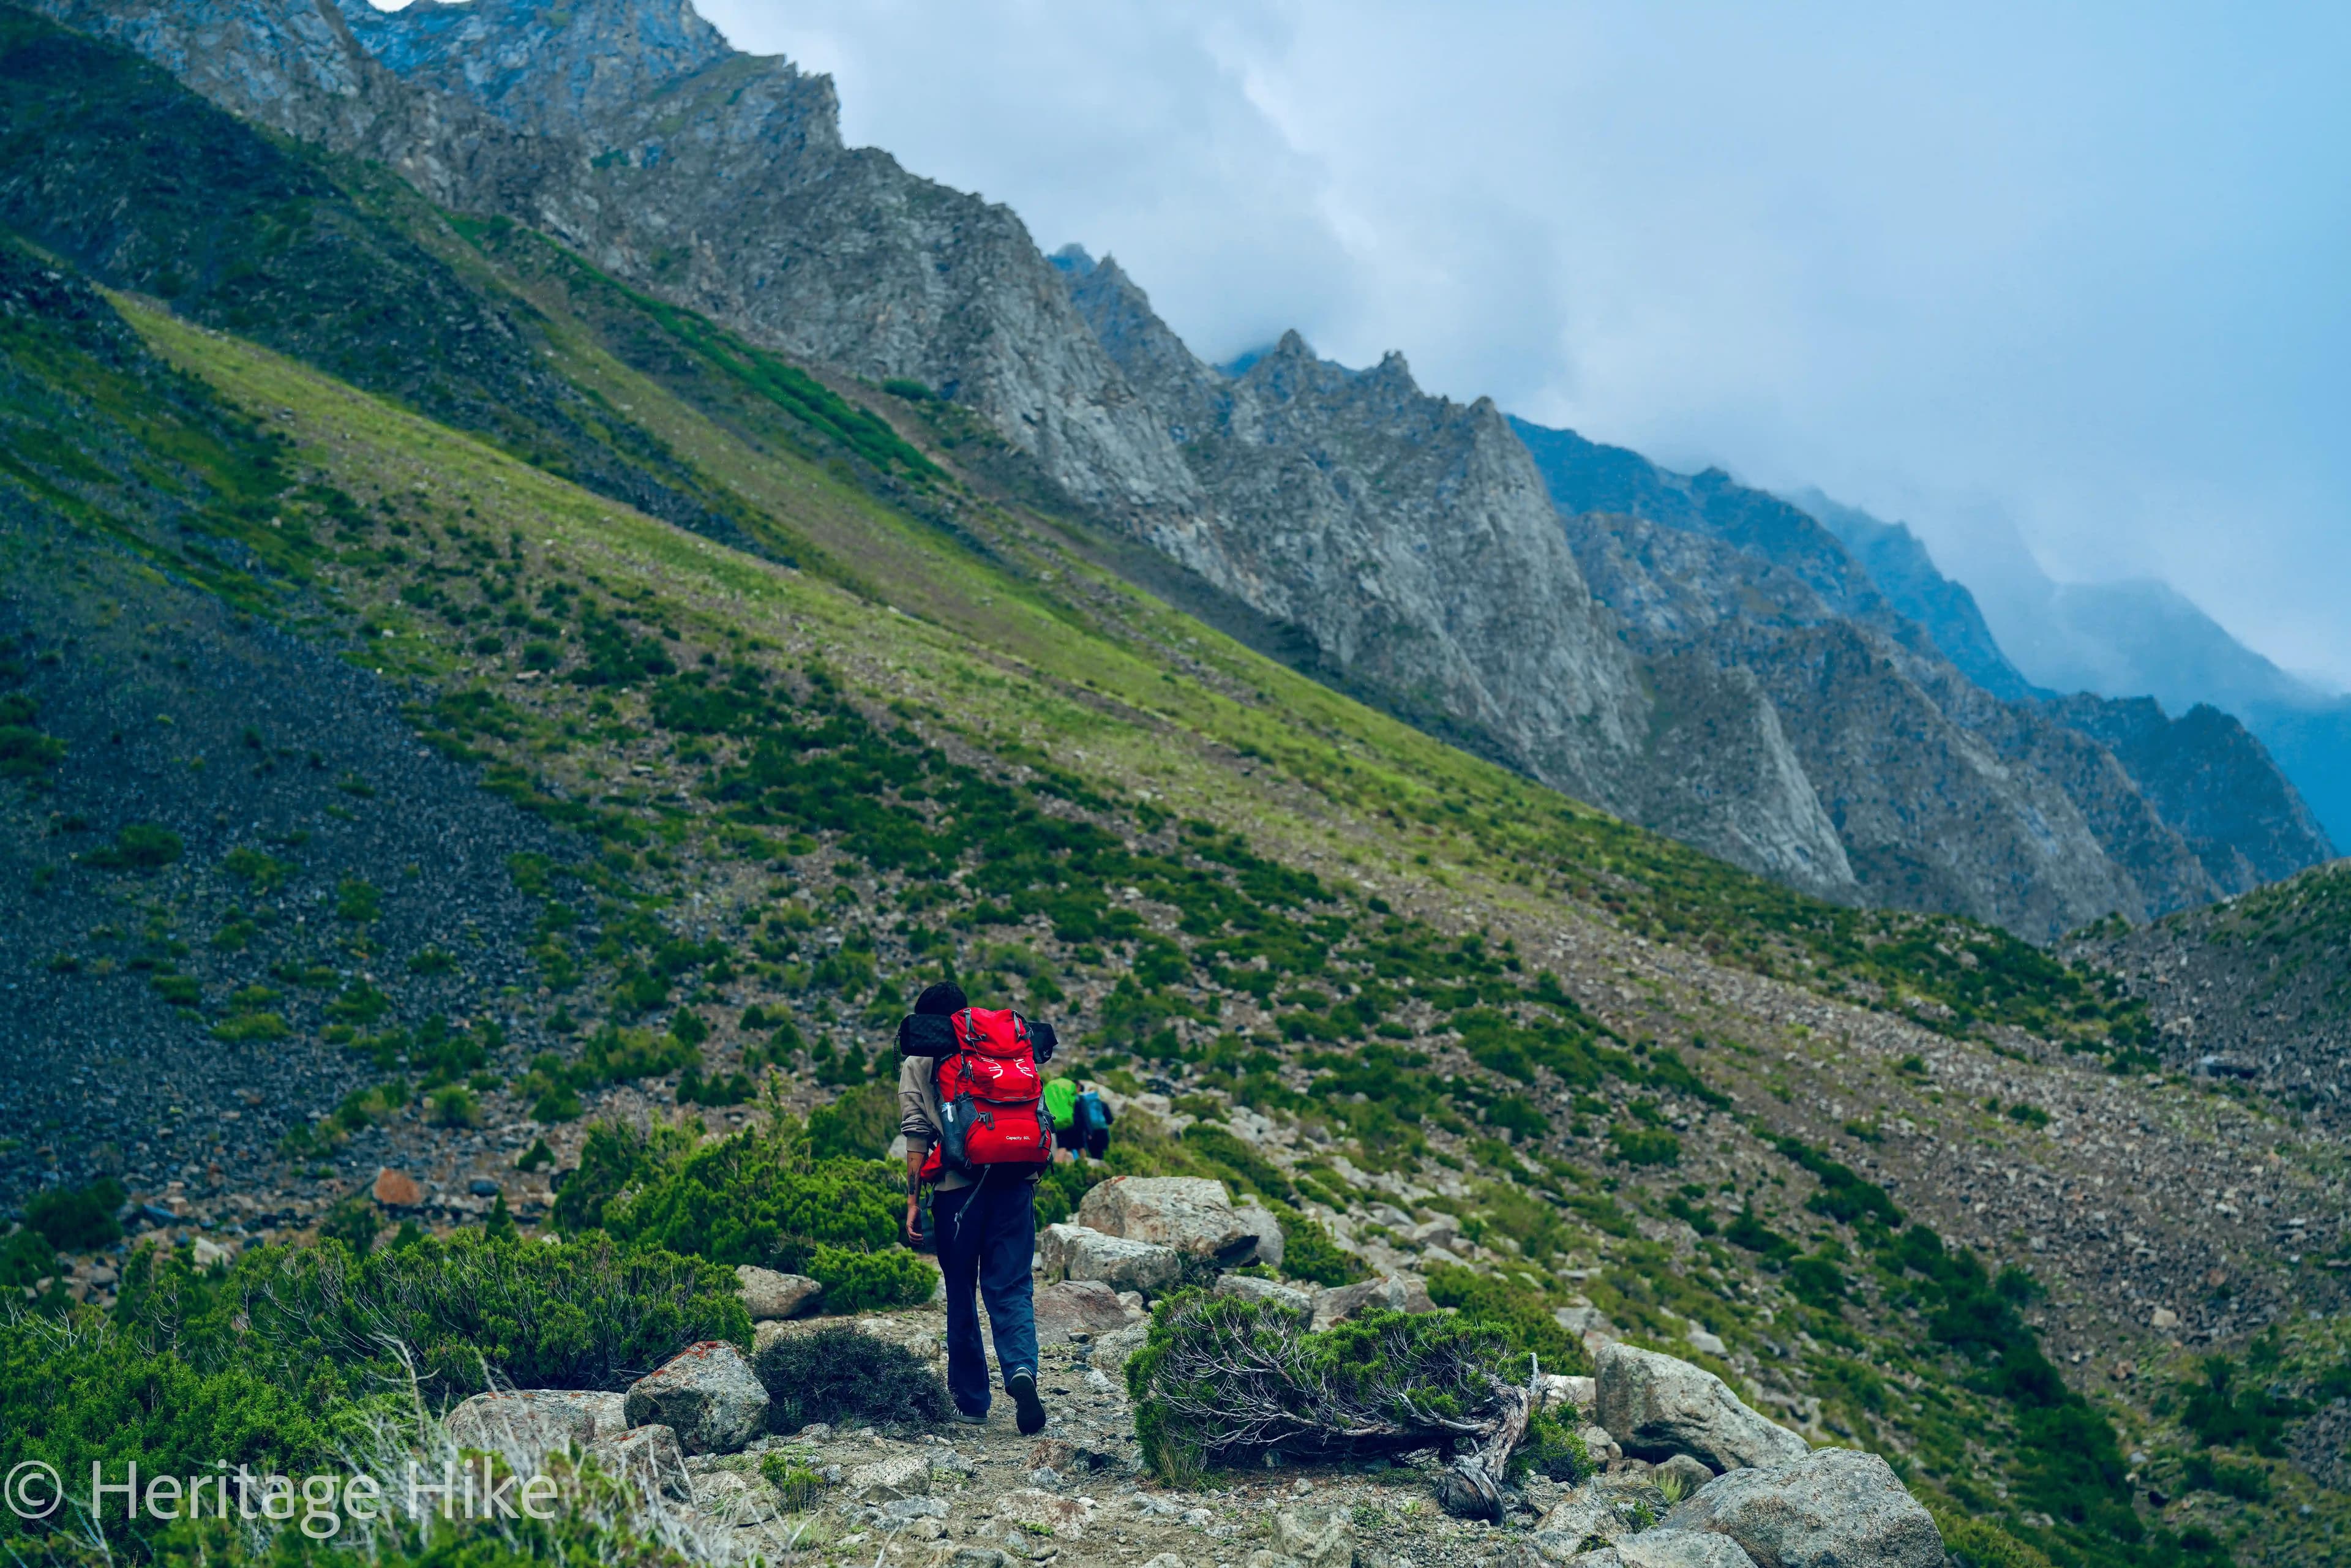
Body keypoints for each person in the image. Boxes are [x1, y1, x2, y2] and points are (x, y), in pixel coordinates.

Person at [899, 980, 1048, 1433]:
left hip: (956, 1191)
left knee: (961, 1292)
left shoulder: (917, 1059)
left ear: (925, 1022)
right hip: (1014, 1183)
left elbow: (916, 1133)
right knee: (1012, 1285)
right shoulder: (1004, 1050)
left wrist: (911, 1201)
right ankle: (1021, 1369)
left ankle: (971, 1401)